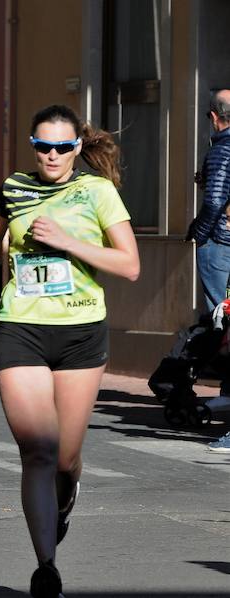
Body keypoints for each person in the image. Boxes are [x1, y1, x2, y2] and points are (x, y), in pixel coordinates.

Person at [0, 105, 139, 598]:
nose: (52, 155)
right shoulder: (14, 188)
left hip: (81, 332)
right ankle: (46, 566)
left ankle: (66, 498)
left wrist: (67, 241)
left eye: (63, 147)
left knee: (64, 458)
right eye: (43, 145)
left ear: (78, 148)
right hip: (19, 326)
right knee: (37, 451)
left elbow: (129, 265)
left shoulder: (97, 192)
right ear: (32, 145)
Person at [184, 89, 230, 452]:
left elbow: (214, 199)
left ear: (215, 118)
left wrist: (200, 234)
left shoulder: (221, 150)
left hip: (221, 246)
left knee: (224, 325)